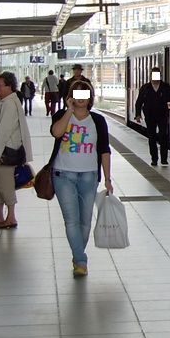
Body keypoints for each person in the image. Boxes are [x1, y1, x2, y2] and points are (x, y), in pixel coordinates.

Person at [50, 79, 113, 278]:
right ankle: (81, 260)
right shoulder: (61, 115)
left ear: (90, 98)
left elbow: (104, 150)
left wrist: (108, 178)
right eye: (76, 94)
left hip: (89, 176)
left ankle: (77, 254)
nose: (81, 98)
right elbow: (56, 132)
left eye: (84, 94)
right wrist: (68, 111)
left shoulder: (98, 121)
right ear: (70, 97)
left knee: (85, 221)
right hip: (63, 175)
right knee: (71, 220)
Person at [0, 72, 32, 229]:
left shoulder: (10, 104)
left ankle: (11, 217)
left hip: (6, 151)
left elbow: (4, 130)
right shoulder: (5, 101)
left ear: (9, 86)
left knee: (5, 185)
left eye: (0, 84)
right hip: (2, 151)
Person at [133, 66, 170, 166]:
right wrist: (138, 115)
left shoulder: (165, 87)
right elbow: (139, 102)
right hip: (150, 116)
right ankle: (154, 158)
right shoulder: (145, 88)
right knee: (152, 137)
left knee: (163, 136)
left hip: (163, 115)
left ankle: (164, 159)